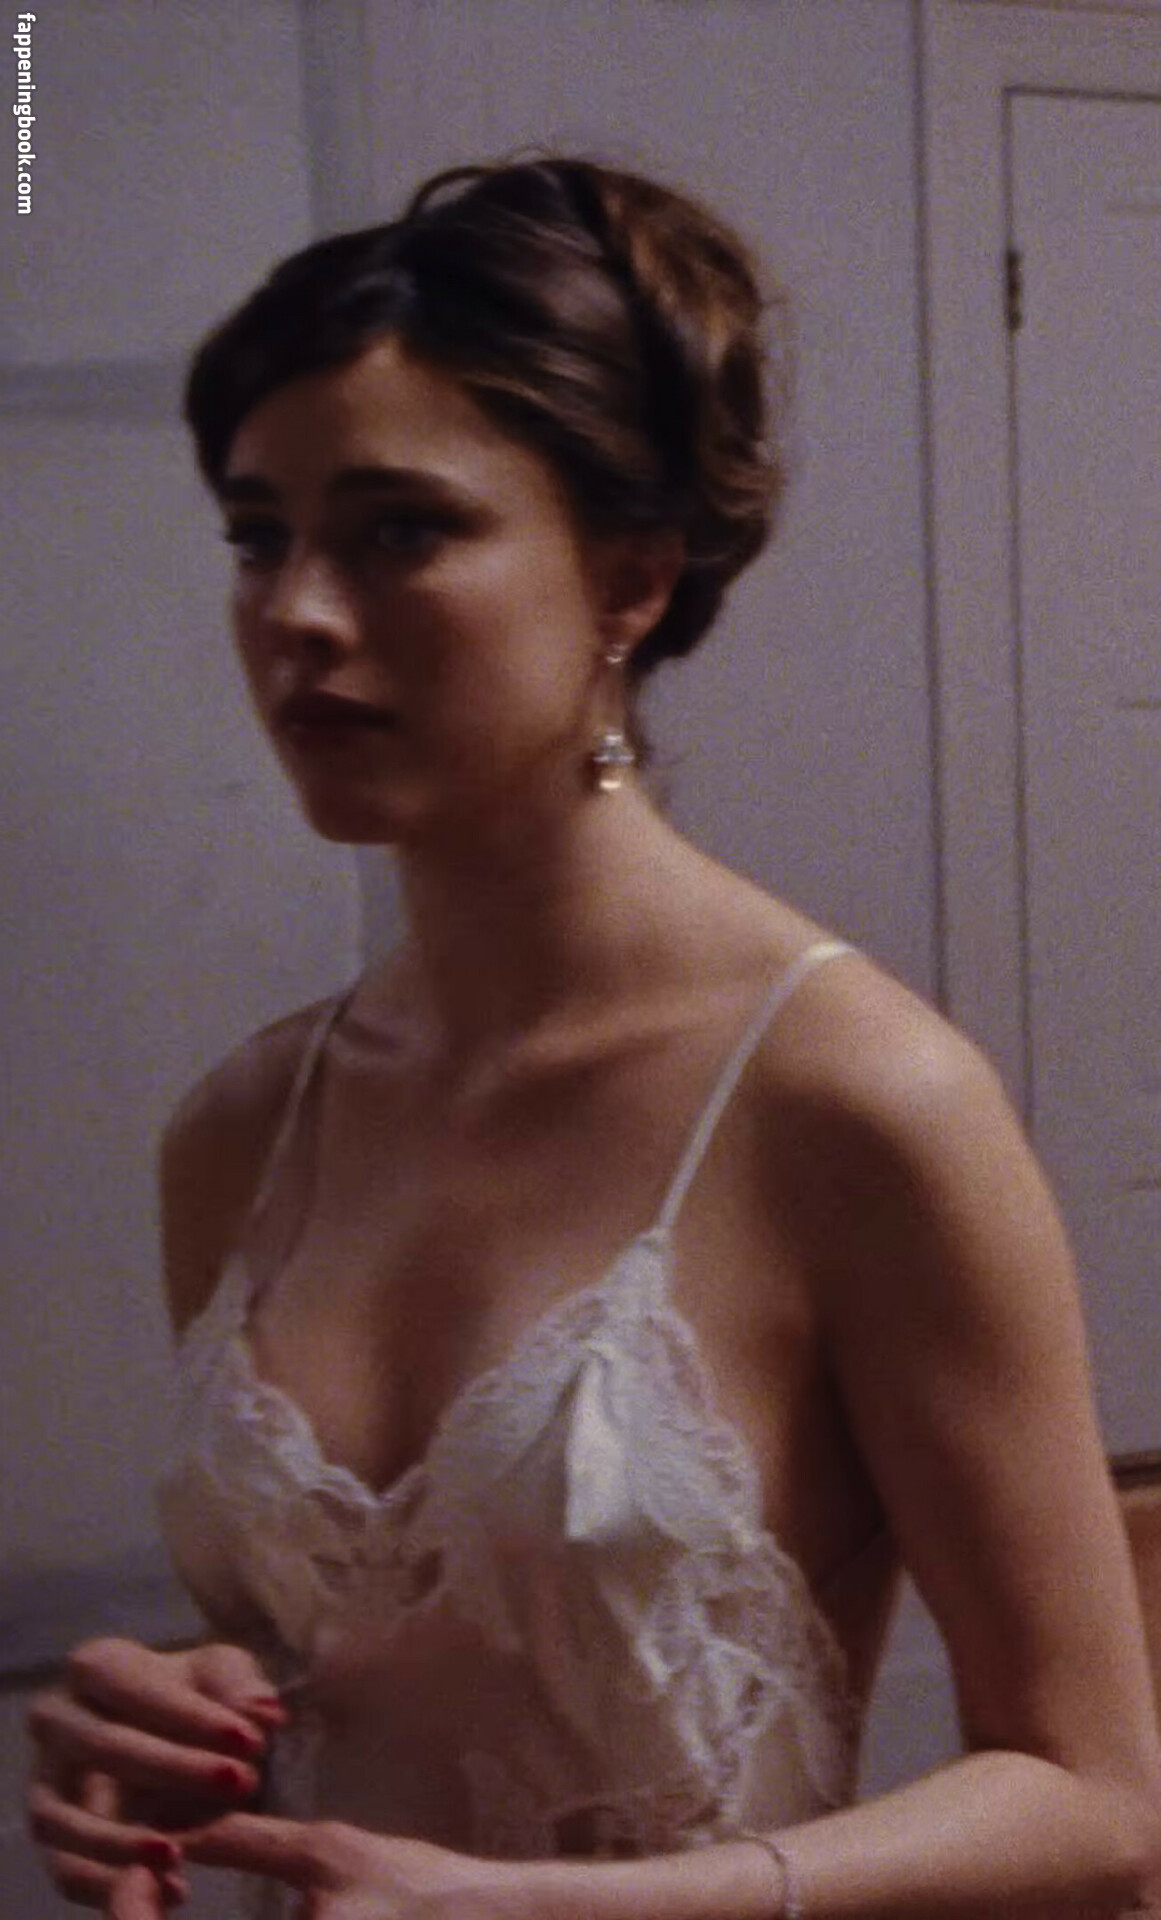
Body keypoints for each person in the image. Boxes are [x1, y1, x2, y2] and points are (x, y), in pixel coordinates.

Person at [26, 153, 1161, 1920]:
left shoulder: (853, 1100)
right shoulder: (247, 1123)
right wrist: (173, 1725)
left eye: (399, 528)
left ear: (628, 582)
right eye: (258, 537)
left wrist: (546, 1910)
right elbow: (348, 1668)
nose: (297, 613)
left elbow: (1098, 1808)